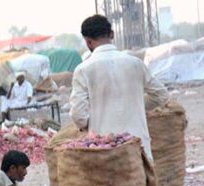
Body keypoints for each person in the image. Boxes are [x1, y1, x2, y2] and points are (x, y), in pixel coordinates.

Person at [70, 14, 169, 160]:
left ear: (88, 41)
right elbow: (161, 95)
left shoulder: (83, 70)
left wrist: (91, 123)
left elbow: (79, 116)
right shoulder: (135, 63)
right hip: (139, 147)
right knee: (141, 182)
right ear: (112, 34)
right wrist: (137, 107)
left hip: (104, 150)